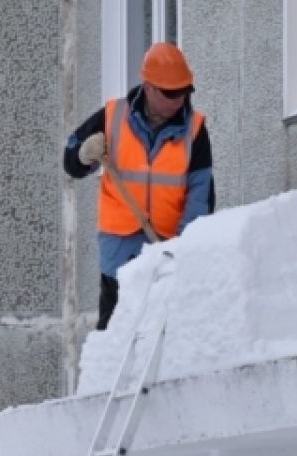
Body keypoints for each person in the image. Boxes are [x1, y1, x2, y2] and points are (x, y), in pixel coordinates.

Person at [63, 43, 214, 330]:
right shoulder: (112, 117)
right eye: (170, 93)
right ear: (148, 87)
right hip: (119, 251)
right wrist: (84, 157)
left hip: (168, 252)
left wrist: (186, 248)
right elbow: (70, 160)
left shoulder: (195, 131)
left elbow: (201, 197)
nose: (178, 100)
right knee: (114, 334)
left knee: (166, 334)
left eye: (183, 92)